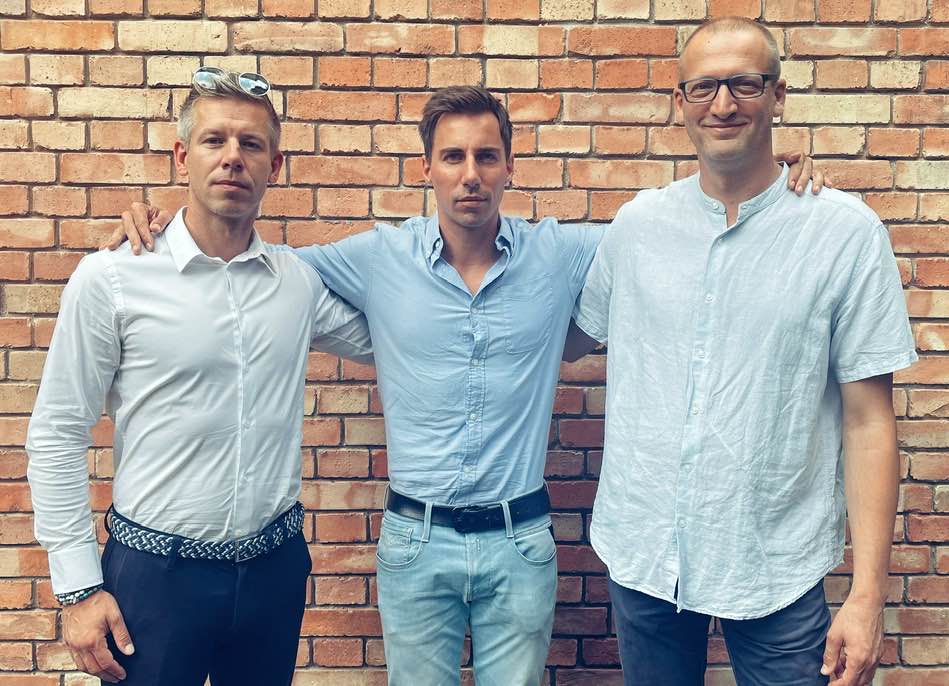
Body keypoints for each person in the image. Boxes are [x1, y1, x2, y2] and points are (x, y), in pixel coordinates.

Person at [107, 85, 821, 685]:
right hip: (415, 543)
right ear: (427, 168)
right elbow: (253, 264)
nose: (470, 174)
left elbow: (676, 231)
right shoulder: (378, 258)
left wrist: (760, 178)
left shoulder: (560, 251)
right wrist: (165, 227)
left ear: (510, 165)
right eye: (452, 157)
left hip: (521, 542)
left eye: (486, 156)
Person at [564, 17, 916, 686]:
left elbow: (869, 419)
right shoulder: (637, 228)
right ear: (680, 102)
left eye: (745, 84)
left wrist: (867, 595)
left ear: (778, 95)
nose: (723, 104)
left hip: (774, 560)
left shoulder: (844, 235)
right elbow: (571, 335)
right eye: (704, 87)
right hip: (645, 551)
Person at [26, 68, 372, 685]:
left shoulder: (297, 283)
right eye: (215, 140)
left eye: (251, 144)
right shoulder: (113, 277)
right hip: (153, 578)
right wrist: (76, 588)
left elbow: (398, 337)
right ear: (183, 156)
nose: (233, 157)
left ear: (275, 166)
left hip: (272, 572)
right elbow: (57, 430)